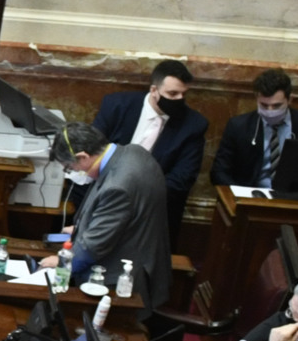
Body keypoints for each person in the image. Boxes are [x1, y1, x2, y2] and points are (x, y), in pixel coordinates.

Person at [57, 120, 172, 305]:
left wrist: (61, 265)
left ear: (83, 157)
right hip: (139, 257)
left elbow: (93, 247)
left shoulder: (117, 187)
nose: (73, 172)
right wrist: (82, 227)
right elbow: (125, 217)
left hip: (118, 285)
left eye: (70, 167)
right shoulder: (133, 152)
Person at [92, 60, 209, 229]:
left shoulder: (193, 124)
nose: (180, 99)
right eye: (173, 93)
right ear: (154, 90)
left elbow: (182, 179)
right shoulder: (117, 105)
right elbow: (93, 151)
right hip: (103, 195)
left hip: (152, 207)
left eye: (184, 94)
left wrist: (134, 196)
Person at [216, 68, 298, 190]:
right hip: (252, 194)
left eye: (277, 106)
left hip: (292, 195)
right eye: (264, 105)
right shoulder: (239, 126)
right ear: (256, 99)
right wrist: (238, 193)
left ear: (290, 100)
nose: (270, 111)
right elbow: (219, 171)